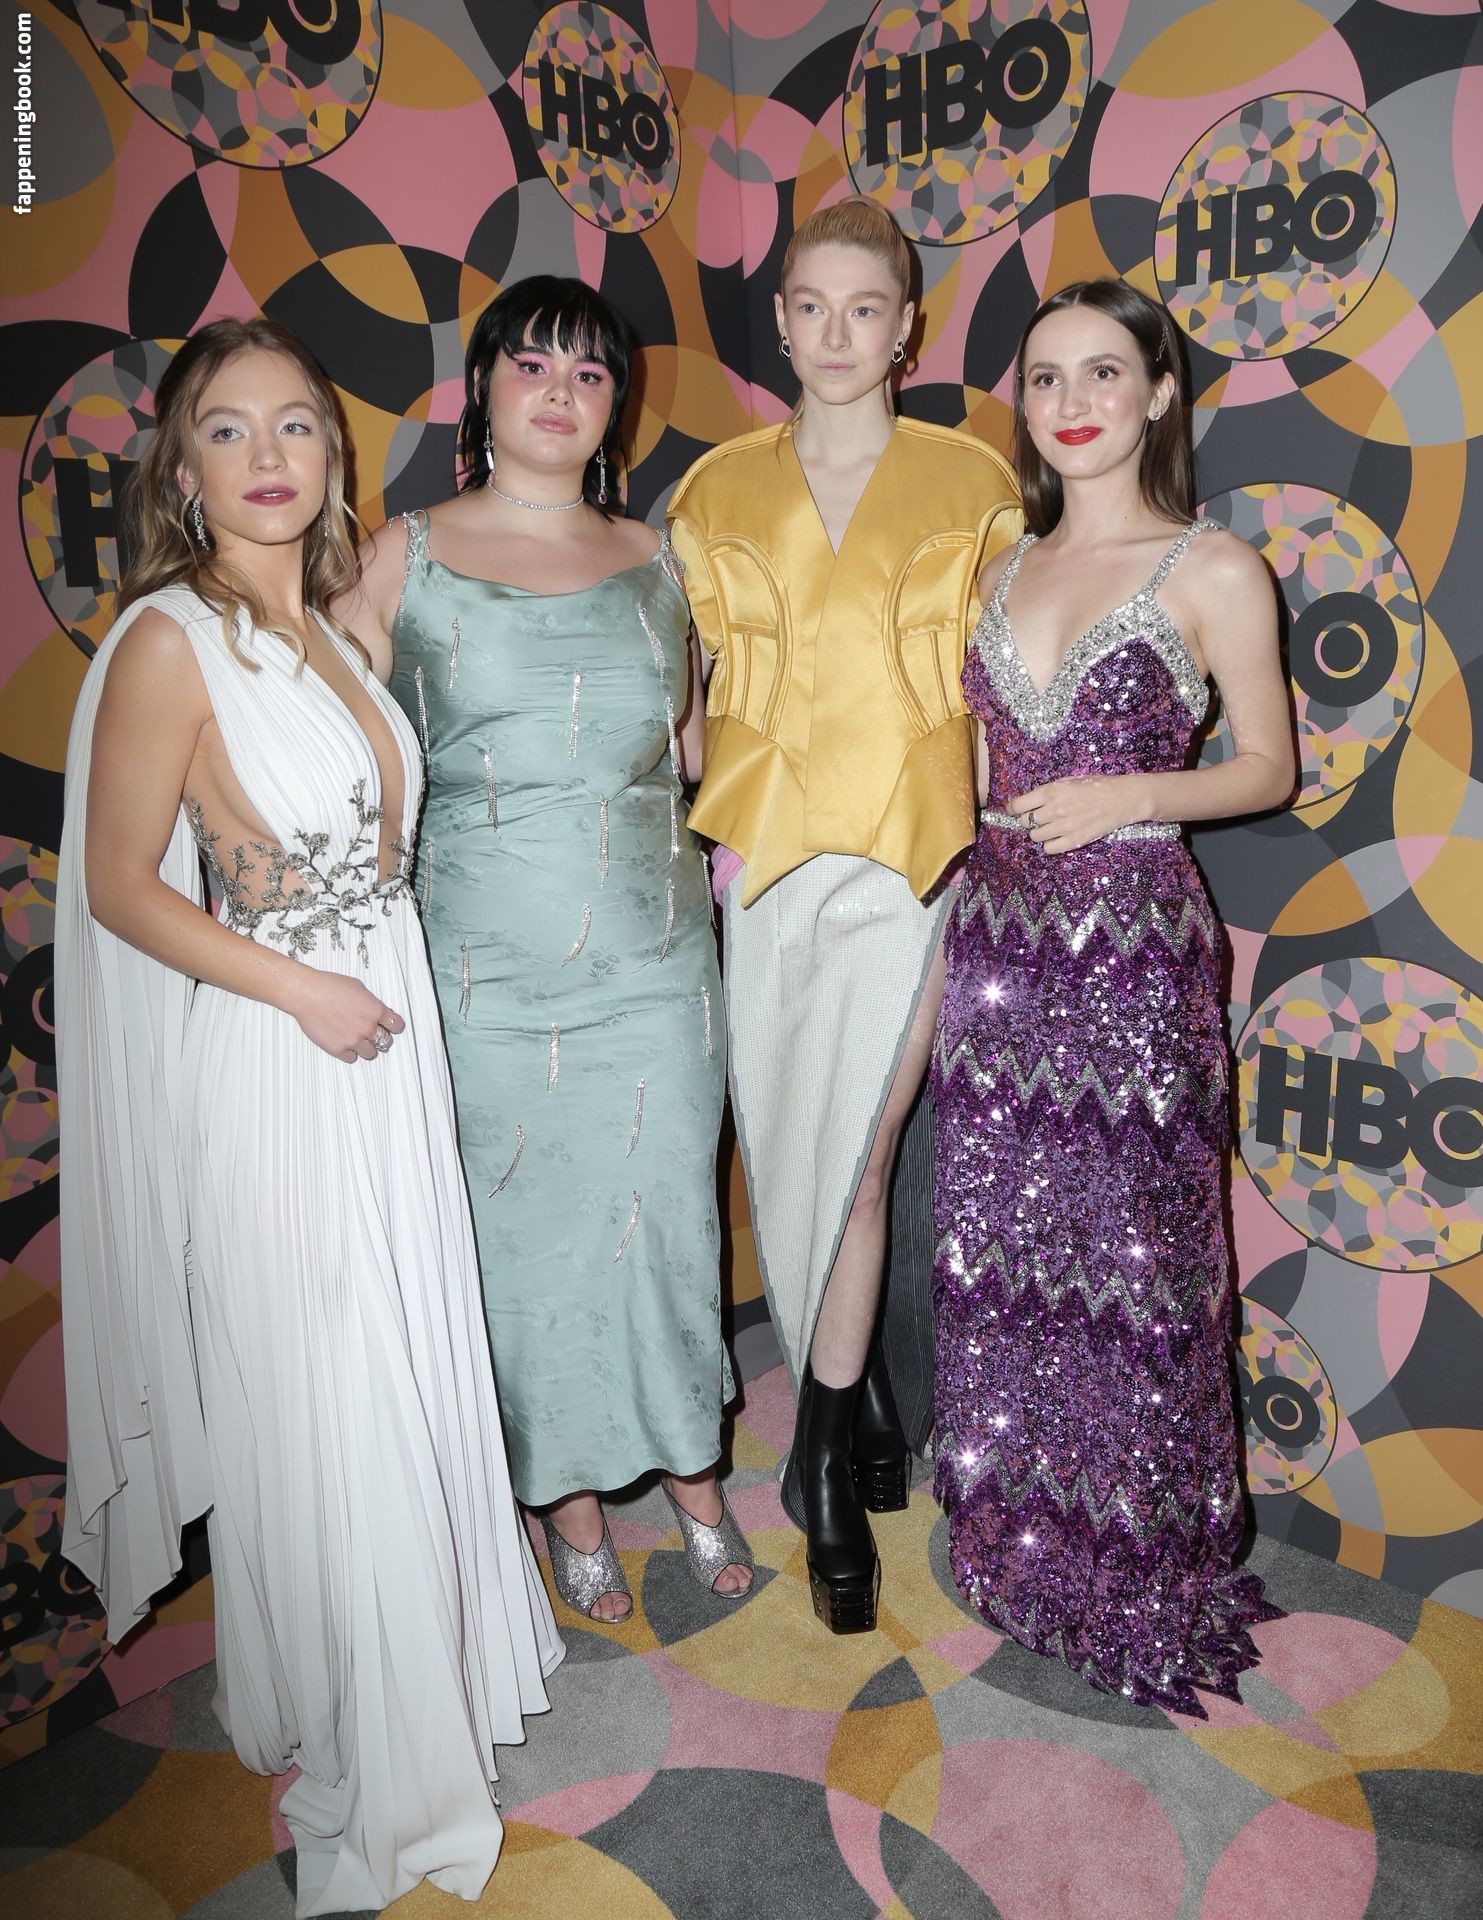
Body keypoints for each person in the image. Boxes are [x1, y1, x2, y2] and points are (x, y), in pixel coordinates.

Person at [56, 318, 563, 1916]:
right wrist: (299, 992)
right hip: (282, 1056)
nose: (268, 455)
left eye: (296, 425)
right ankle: (374, 1741)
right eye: (228, 429)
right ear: (182, 470)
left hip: (379, 1041)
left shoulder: (338, 629)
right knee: (330, 1387)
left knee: (393, 1355)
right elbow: (119, 886)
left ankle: (405, 1677)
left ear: (333, 457)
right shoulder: (168, 640)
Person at [346, 277, 752, 1627]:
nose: (560, 392)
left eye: (589, 372)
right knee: (519, 1237)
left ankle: (694, 1470)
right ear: (482, 387)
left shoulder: (660, 558)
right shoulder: (403, 555)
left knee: (667, 1218)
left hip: (654, 958)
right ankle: (562, 1500)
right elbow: (344, 762)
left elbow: (694, 755)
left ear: (615, 404)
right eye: (531, 364)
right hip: (483, 968)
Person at [931, 278, 1293, 1714]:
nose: (1072, 401)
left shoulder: (1214, 568)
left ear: (1158, 393)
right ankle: (1018, 1534)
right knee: (1001, 1248)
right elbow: (966, 763)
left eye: (1103, 371)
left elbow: (1266, 766)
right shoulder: (997, 566)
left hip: (1135, 954)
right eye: (1044, 377)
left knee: (1137, 1266)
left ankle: (1143, 1562)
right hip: (997, 946)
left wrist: (1132, 791)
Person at [667, 198, 1022, 1634]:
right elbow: (684, 693)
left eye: (864, 307)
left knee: (864, 1159)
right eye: (810, 305)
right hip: (763, 865)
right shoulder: (713, 491)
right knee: (781, 1146)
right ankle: (865, 1393)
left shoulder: (974, 483)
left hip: (910, 865)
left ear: (906, 325)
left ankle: (816, 1457)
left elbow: (1008, 680)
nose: (836, 333)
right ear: (781, 321)